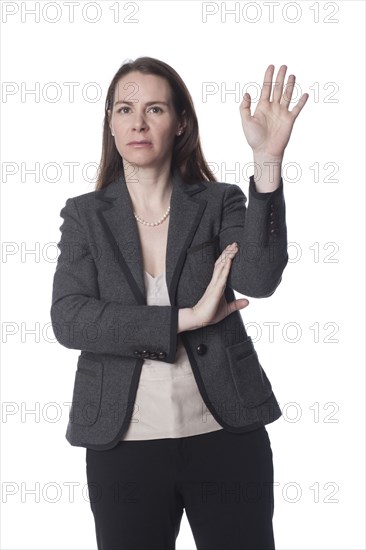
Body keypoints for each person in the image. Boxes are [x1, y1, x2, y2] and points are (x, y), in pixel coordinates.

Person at [50, 57, 308, 549]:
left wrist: (267, 164)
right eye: (125, 108)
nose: (138, 122)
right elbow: (70, 319)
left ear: (181, 121)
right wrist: (184, 319)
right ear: (110, 121)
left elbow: (260, 277)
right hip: (124, 443)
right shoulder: (85, 216)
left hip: (225, 434)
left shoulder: (218, 202)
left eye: (155, 109)